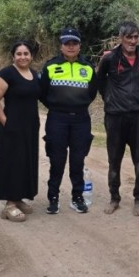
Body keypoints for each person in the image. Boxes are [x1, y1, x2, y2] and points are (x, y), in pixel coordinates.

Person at [96, 21, 139, 216]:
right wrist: (110, 99)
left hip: (138, 118)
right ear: (121, 38)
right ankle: (114, 198)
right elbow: (100, 82)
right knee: (114, 160)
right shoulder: (110, 58)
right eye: (129, 37)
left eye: (136, 36)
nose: (133, 40)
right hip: (115, 117)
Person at [38, 27, 98, 214]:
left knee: (77, 160)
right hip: (57, 119)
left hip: (81, 119)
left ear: (80, 46)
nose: (71, 47)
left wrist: (77, 105)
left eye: (74, 43)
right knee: (57, 160)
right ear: (61, 46)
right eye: (67, 43)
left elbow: (92, 93)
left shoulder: (87, 68)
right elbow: (42, 93)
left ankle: (77, 197)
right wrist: (58, 107)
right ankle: (53, 198)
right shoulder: (50, 66)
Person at [0, 40, 41, 222]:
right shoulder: (6, 74)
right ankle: (9, 205)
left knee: (26, 162)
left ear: (31, 56)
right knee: (12, 163)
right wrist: (5, 122)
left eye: (26, 53)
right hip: (12, 127)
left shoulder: (34, 74)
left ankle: (19, 199)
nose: (23, 57)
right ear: (13, 56)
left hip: (30, 127)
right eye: (19, 54)